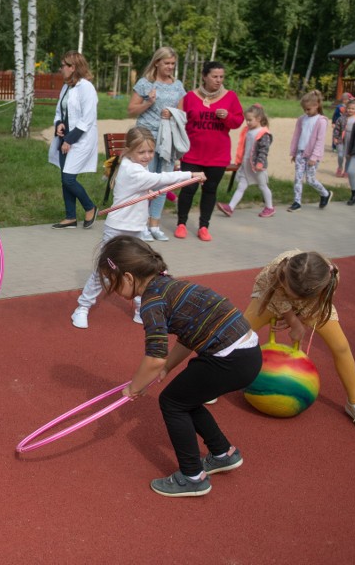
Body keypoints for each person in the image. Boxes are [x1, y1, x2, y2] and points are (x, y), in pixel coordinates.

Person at [96, 236, 261, 497]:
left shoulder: (151, 302)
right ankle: (222, 453)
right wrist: (167, 369)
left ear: (127, 277)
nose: (111, 288)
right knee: (185, 398)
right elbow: (187, 337)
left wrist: (134, 388)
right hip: (247, 353)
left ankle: (192, 477)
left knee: (172, 402)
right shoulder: (167, 285)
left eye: (110, 280)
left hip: (227, 359)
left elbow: (154, 357)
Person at [71, 127, 203, 329]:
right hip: (118, 229)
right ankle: (82, 307)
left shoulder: (137, 166)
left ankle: (140, 309)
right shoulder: (130, 169)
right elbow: (160, 179)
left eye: (150, 152)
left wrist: (148, 191)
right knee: (105, 271)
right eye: (142, 152)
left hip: (136, 229)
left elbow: (149, 183)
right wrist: (190, 174)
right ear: (129, 150)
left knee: (141, 270)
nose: (147, 156)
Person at [244, 250, 355, 432]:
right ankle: (212, 382)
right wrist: (293, 321)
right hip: (273, 296)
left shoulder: (330, 278)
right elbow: (279, 296)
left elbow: (316, 304)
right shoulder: (276, 271)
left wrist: (300, 318)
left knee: (341, 347)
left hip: (312, 306)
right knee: (238, 334)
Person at [175, 61, 244, 242]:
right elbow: (180, 121)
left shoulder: (230, 97)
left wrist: (227, 116)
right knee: (188, 189)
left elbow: (237, 122)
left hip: (217, 155)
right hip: (192, 153)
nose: (219, 80)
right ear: (204, 76)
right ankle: (181, 224)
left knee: (210, 191)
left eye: (221, 77)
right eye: (214, 76)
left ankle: (204, 227)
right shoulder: (190, 96)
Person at [127, 46, 187, 242]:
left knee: (165, 181)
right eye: (167, 63)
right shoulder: (145, 84)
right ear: (157, 62)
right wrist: (148, 103)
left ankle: (155, 224)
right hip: (148, 136)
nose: (170, 67)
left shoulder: (178, 85)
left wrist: (173, 114)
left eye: (173, 64)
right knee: (147, 181)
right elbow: (131, 110)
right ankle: (141, 225)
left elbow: (182, 113)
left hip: (168, 137)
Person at [49, 51, 99, 230]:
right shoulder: (67, 87)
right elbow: (59, 111)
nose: (61, 68)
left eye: (63, 65)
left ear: (73, 67)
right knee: (64, 178)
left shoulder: (86, 87)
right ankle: (70, 216)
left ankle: (90, 206)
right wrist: (59, 124)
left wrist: (69, 139)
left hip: (80, 139)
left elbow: (88, 118)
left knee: (69, 178)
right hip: (66, 137)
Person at [217, 104, 274, 217]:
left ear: (258, 119)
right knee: (241, 186)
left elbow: (264, 150)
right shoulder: (248, 131)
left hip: (257, 166)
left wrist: (260, 162)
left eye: (249, 120)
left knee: (263, 186)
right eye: (246, 120)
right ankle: (230, 207)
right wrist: (240, 160)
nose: (247, 122)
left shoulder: (263, 133)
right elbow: (243, 147)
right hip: (246, 164)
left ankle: (270, 207)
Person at [288, 90, 333, 212]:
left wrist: (314, 157)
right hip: (300, 153)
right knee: (298, 178)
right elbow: (296, 136)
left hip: (313, 155)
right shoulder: (301, 119)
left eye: (308, 109)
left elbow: (320, 140)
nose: (306, 112)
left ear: (316, 105)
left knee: (310, 180)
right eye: (304, 109)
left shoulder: (321, 121)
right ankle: (297, 202)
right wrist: (293, 152)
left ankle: (325, 193)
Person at [333, 99, 355, 177]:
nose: (350, 110)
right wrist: (335, 138)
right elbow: (337, 129)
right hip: (342, 139)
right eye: (349, 108)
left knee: (348, 156)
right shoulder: (342, 118)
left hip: (352, 140)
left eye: (352, 108)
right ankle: (340, 167)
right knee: (340, 154)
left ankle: (346, 171)